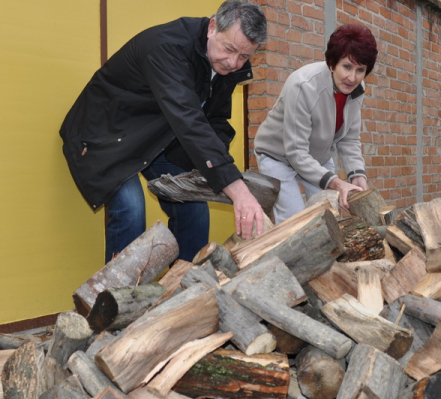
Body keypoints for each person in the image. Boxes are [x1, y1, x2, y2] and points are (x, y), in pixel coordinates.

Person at [60, 0, 267, 262]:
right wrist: (237, 190)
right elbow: (188, 118)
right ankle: (118, 298)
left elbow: (214, 122)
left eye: (244, 56)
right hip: (103, 134)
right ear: (213, 27)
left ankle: (186, 294)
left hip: (153, 135)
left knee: (194, 207)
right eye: (229, 49)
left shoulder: (224, 64)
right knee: (131, 206)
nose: (234, 63)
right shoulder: (168, 47)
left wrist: (213, 172)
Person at [253, 24, 378, 222]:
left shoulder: (356, 89)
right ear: (332, 63)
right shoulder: (303, 85)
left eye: (360, 70)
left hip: (316, 158)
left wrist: (357, 174)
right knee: (294, 220)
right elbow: (295, 151)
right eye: (347, 66)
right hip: (278, 155)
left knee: (329, 215)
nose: (352, 77)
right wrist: (336, 183)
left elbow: (349, 139)